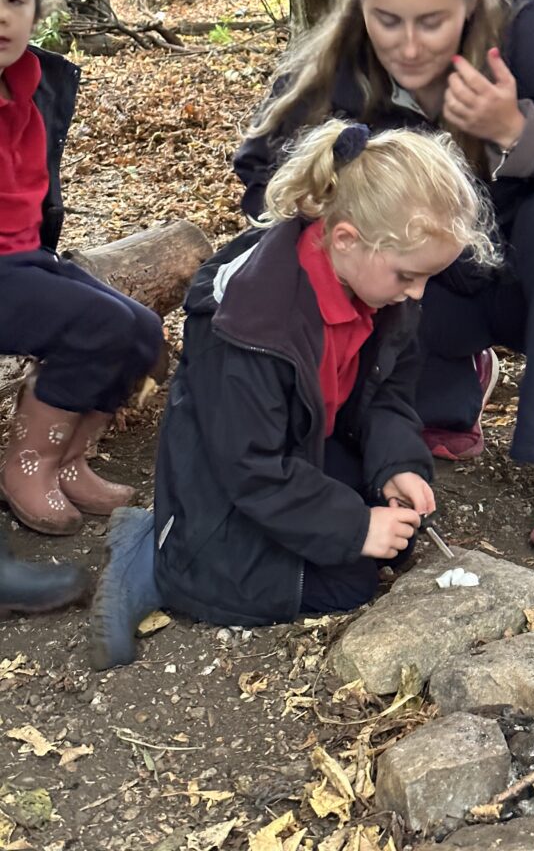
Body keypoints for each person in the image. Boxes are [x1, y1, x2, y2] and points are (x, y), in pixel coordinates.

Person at [231, 0, 534, 556]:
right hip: (426, 290)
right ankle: (449, 392)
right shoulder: (339, 60)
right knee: (358, 239)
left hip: (532, 284)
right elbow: (260, 171)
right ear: (361, 1)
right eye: (388, 20)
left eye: (433, 21)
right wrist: (325, 201)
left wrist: (515, 130)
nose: (410, 47)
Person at [88, 118, 497, 670]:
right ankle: (154, 558)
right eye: (408, 276)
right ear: (347, 238)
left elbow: (388, 397)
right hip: (227, 481)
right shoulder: (254, 324)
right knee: (343, 584)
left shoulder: (379, 289)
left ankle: (171, 539)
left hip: (299, 452)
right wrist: (354, 526)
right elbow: (250, 464)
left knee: (392, 542)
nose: (417, 293)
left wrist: (397, 465)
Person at [0, 0, 164, 537]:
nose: (1, 15)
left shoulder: (34, 86)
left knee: (142, 331)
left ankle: (67, 460)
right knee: (98, 325)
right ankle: (27, 462)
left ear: (37, 11)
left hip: (25, 261)